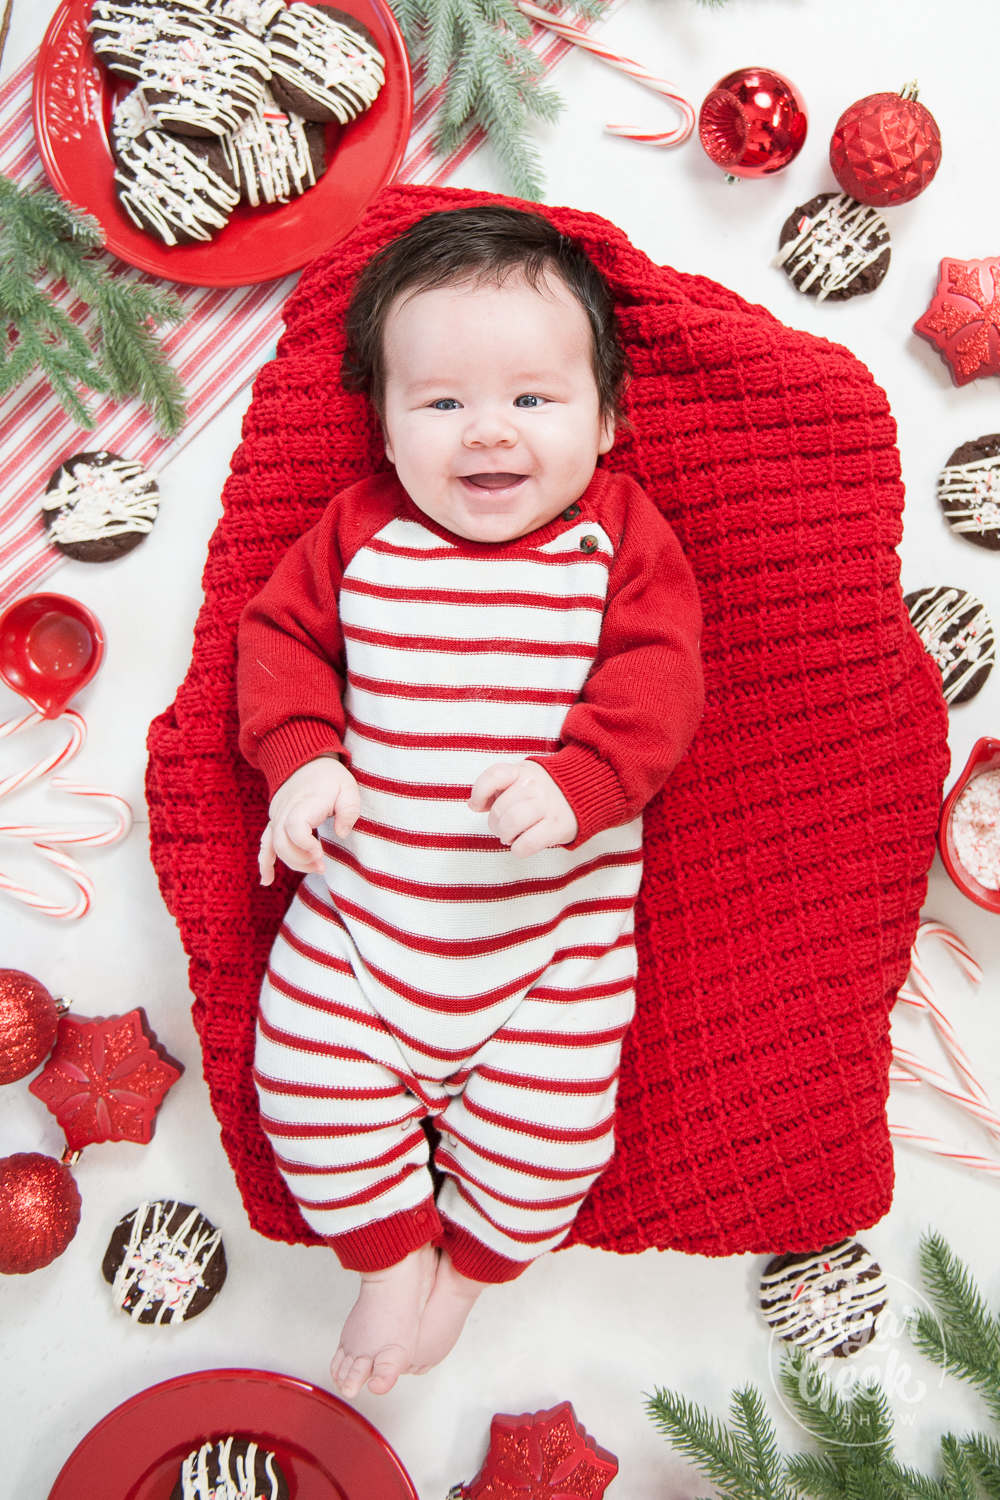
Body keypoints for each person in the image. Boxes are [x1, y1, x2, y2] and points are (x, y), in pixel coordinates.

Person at [237, 204, 704, 1400]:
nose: (486, 431)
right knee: (300, 1076)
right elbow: (278, 640)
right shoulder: (357, 537)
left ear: (606, 419)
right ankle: (389, 1255)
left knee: (555, 1142)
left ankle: (475, 1269)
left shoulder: (615, 540)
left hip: (553, 951)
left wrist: (584, 778)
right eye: (438, 403)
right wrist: (301, 761)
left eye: (533, 400)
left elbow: (663, 673)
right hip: (358, 931)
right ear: (385, 429)